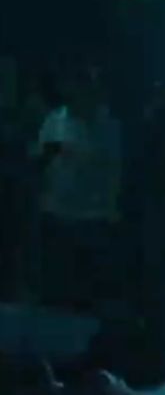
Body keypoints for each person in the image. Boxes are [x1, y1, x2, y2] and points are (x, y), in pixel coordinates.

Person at [32, 66, 122, 312]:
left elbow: (114, 169)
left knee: (86, 288)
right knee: (55, 283)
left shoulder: (108, 125)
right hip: (56, 212)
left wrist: (111, 208)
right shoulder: (55, 121)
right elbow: (41, 162)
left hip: (93, 216)